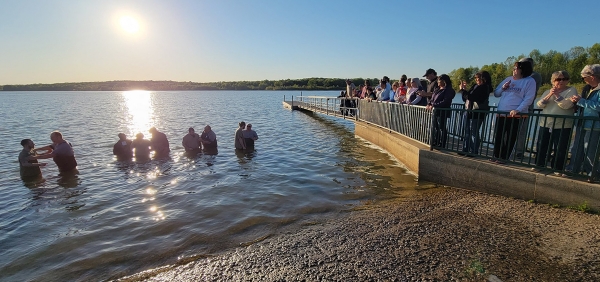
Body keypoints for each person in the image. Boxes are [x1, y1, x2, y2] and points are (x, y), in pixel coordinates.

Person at [491, 61, 536, 163]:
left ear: (522, 70)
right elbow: (496, 93)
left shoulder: (529, 81)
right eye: (514, 68)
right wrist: (503, 88)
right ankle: (496, 155)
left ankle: (504, 158)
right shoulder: (508, 79)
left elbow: (529, 98)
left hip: (516, 114)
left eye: (516, 68)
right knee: (498, 135)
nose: (514, 70)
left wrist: (518, 109)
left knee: (511, 137)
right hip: (501, 113)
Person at [533, 71, 577, 173]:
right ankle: (539, 164)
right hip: (546, 123)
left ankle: (558, 168)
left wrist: (557, 95)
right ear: (553, 81)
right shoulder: (547, 91)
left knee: (560, 148)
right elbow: (539, 105)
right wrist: (549, 95)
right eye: (558, 79)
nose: (561, 81)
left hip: (563, 124)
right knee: (542, 145)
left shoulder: (571, 90)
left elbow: (567, 105)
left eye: (564, 79)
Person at [569, 64, 600, 181]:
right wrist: (576, 104)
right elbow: (584, 104)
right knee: (577, 148)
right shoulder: (587, 89)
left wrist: (581, 101)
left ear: (592, 77)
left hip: (594, 126)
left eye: (584, 77)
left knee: (590, 151)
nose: (583, 80)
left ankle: (592, 174)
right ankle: (573, 170)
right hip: (582, 123)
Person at [514, 57, 543, 159]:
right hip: (513, 108)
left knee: (521, 131)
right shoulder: (517, 76)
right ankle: (510, 149)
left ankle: (519, 151)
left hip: (525, 108)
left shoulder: (534, 76)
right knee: (510, 130)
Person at [459, 71, 492, 155]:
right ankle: (465, 149)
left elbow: (471, 97)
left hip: (477, 112)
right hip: (469, 111)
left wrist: (463, 90)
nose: (477, 80)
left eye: (479, 78)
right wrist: (464, 90)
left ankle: (474, 151)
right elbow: (466, 98)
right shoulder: (475, 86)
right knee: (467, 131)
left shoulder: (484, 87)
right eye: (476, 78)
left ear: (484, 79)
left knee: (474, 132)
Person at [426, 74, 455, 147]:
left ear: (444, 81)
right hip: (436, 111)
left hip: (443, 111)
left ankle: (442, 143)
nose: (438, 83)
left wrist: (434, 105)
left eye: (439, 81)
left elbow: (445, 101)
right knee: (436, 127)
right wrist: (429, 104)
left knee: (441, 127)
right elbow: (432, 98)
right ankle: (436, 141)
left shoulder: (449, 90)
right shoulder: (437, 89)